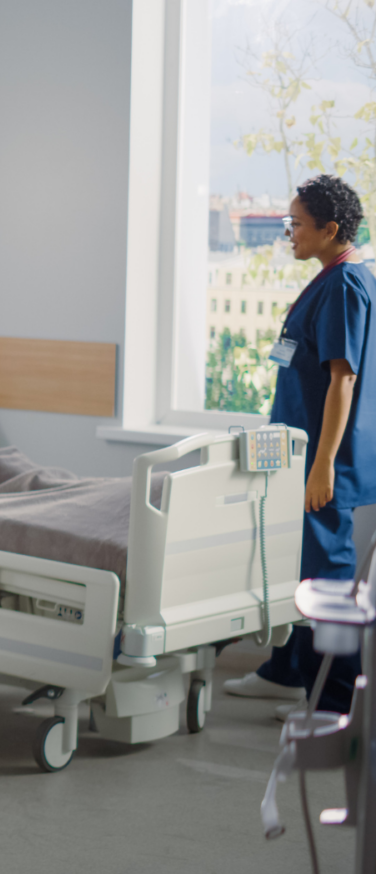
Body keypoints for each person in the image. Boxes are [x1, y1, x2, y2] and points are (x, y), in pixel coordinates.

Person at [223, 174, 374, 720]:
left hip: (322, 460)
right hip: (302, 454)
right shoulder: (334, 277)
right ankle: (286, 671)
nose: (287, 232)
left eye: (297, 224)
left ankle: (333, 704)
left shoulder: (344, 286)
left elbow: (343, 380)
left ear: (330, 229)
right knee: (297, 564)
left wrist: (322, 465)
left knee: (326, 579)